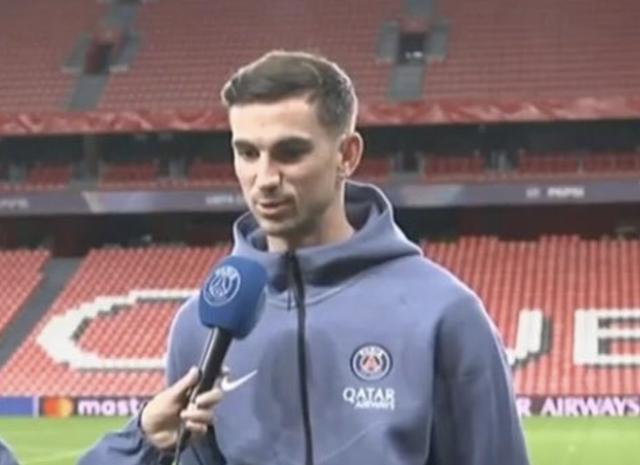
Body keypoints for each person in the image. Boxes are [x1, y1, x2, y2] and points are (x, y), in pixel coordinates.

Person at [78, 50, 530, 465]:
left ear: (347, 155)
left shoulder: (444, 313)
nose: (264, 178)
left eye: (290, 153)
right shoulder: (201, 325)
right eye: (247, 153)